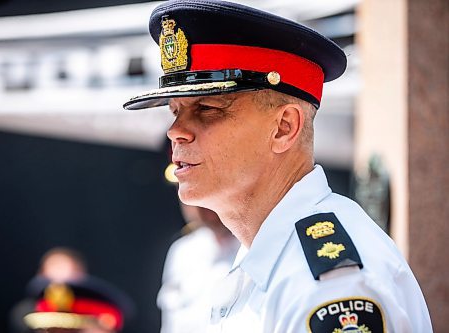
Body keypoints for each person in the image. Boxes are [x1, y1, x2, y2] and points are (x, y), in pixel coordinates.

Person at [123, 0, 432, 332]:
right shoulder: (273, 253)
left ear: (284, 127)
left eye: (208, 108)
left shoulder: (329, 286)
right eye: (175, 111)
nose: (175, 131)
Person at [157, 163, 239, 333]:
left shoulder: (255, 244)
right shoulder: (183, 251)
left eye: (205, 186)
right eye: (186, 189)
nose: (198, 201)